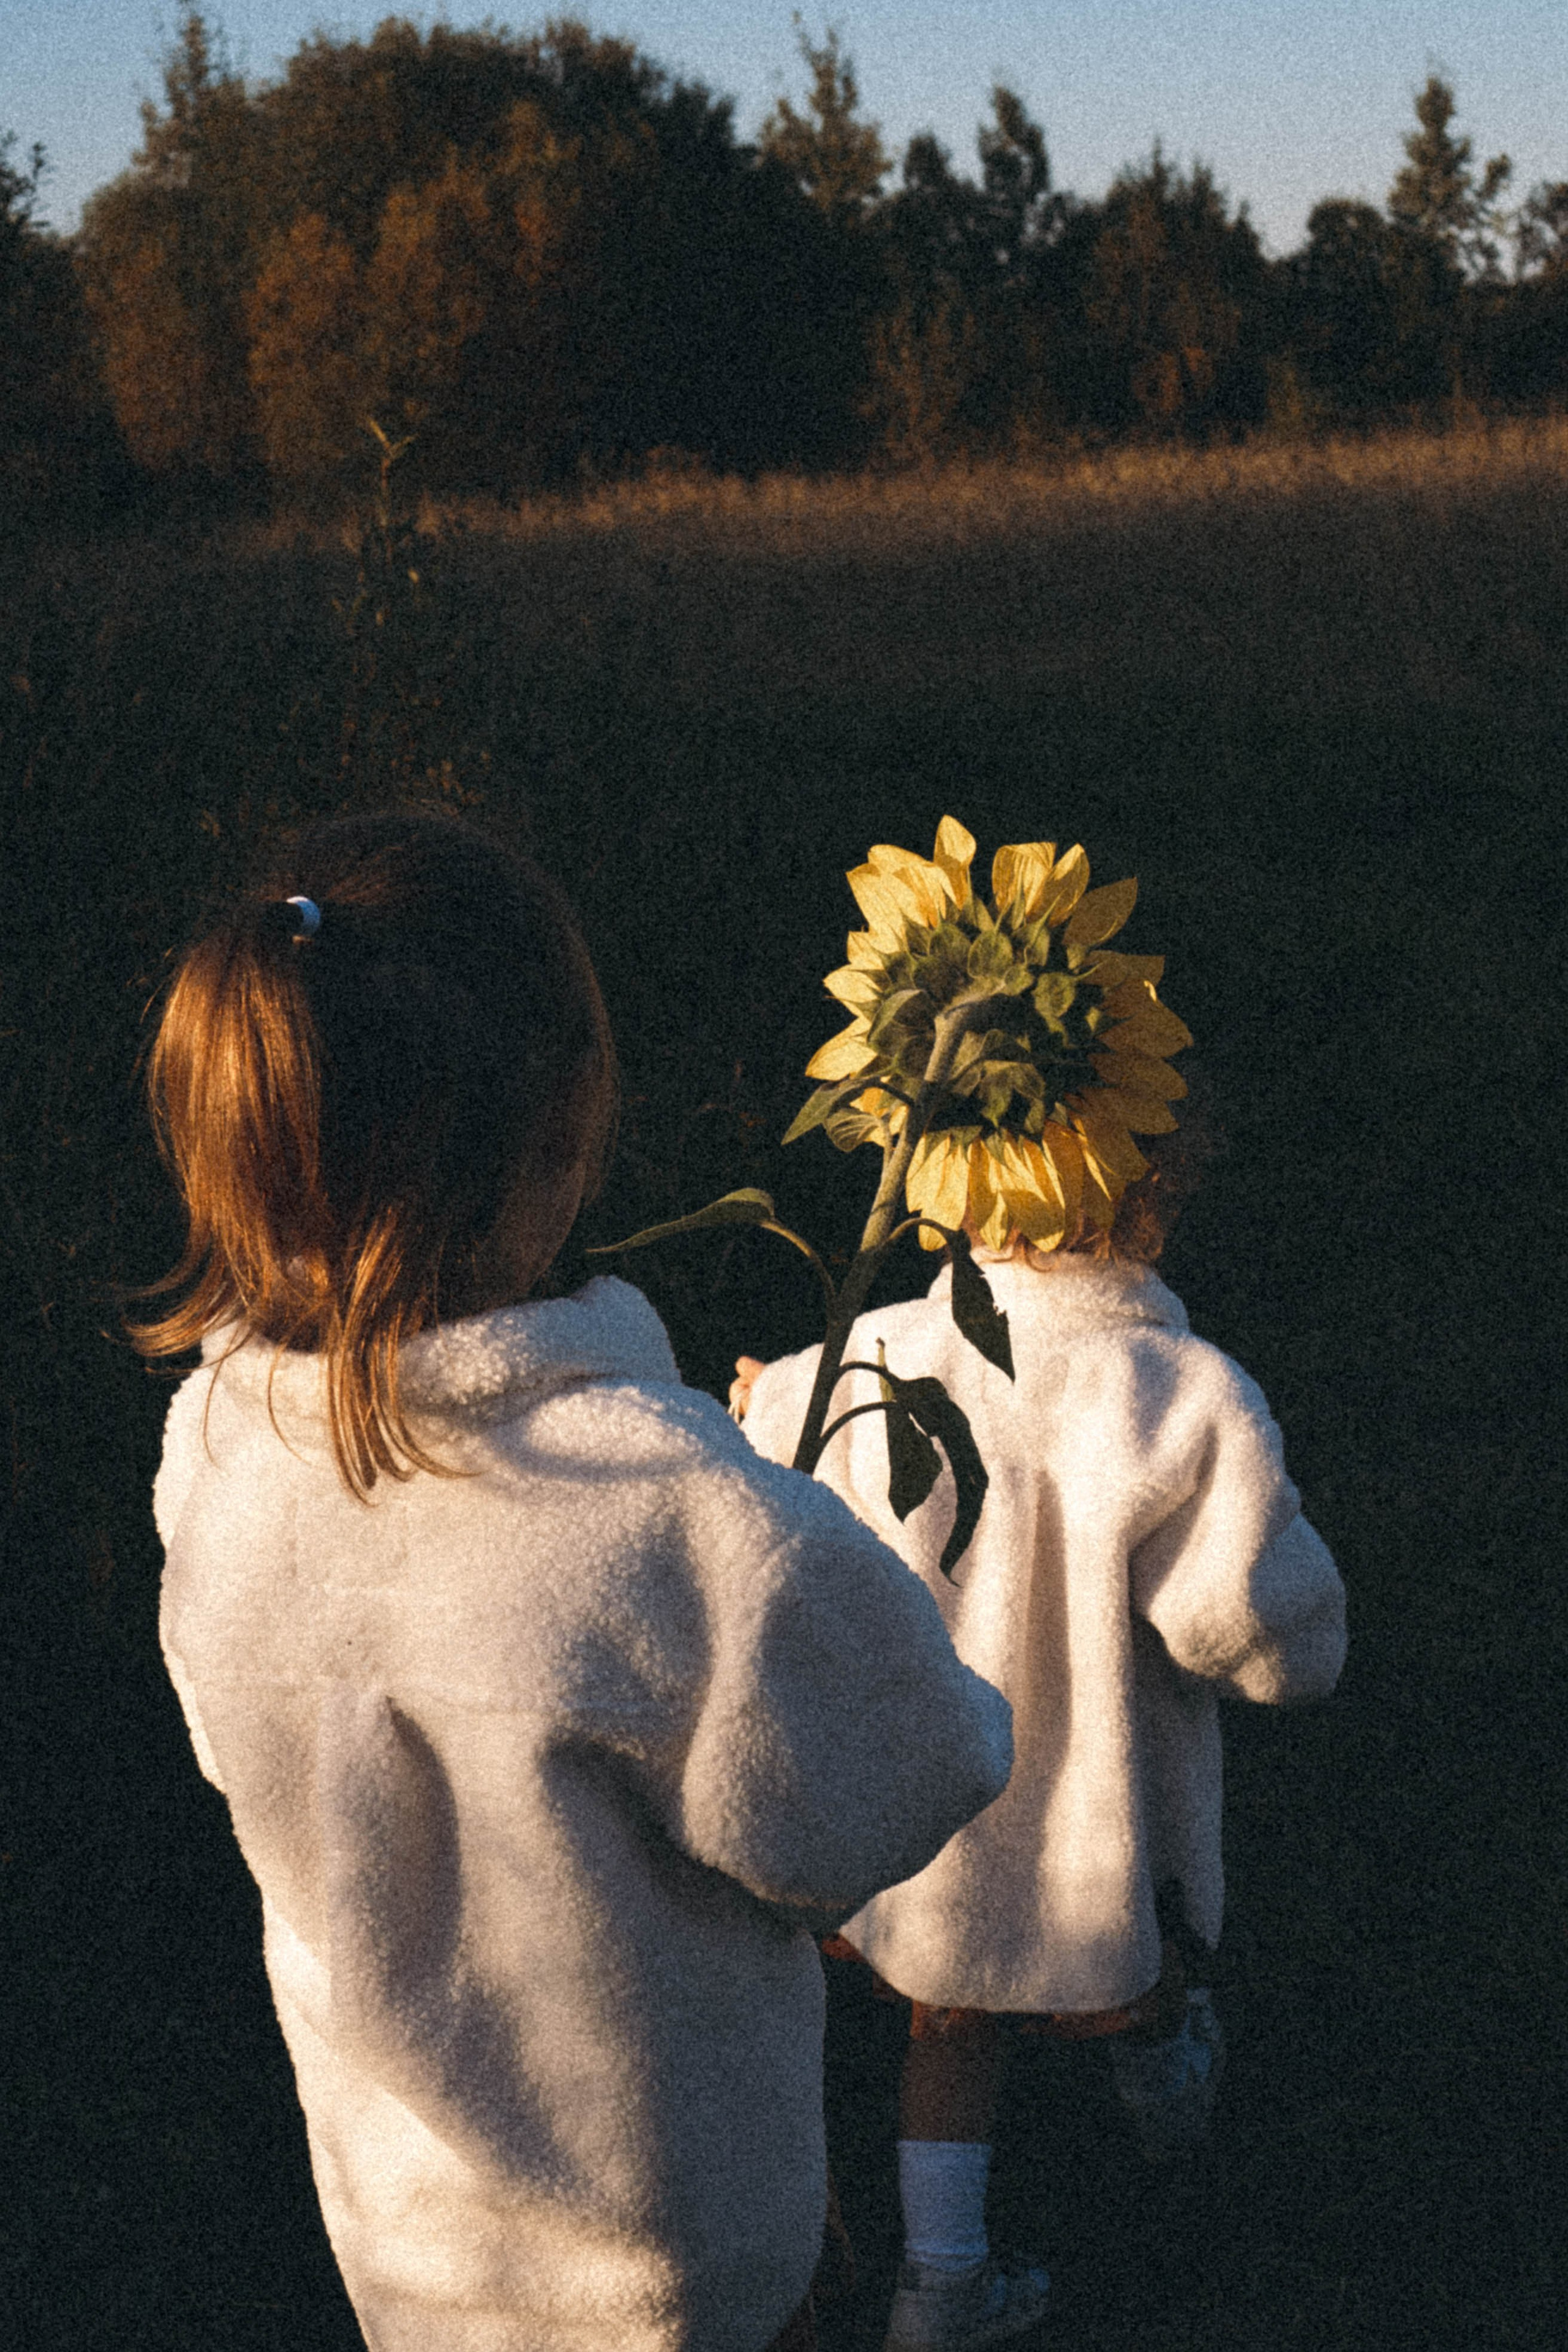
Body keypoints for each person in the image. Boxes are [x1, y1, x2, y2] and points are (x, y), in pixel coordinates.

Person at [134, 810, 1014, 2352]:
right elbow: (908, 1774)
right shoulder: (666, 1517)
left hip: (411, 2262)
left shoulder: (213, 1462)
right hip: (677, 2279)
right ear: (568, 1131)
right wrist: (791, 1540)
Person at [734, 1037, 1348, 2352]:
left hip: (924, 1832)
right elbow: (1252, 1631)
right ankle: (1163, 2082)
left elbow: (770, 1496)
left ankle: (936, 2287)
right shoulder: (1172, 1396)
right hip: (1092, 1832)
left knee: (947, 2014)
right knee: (1135, 1961)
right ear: (1145, 1194)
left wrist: (760, 1405)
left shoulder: (866, 1359)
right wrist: (1292, 1618)